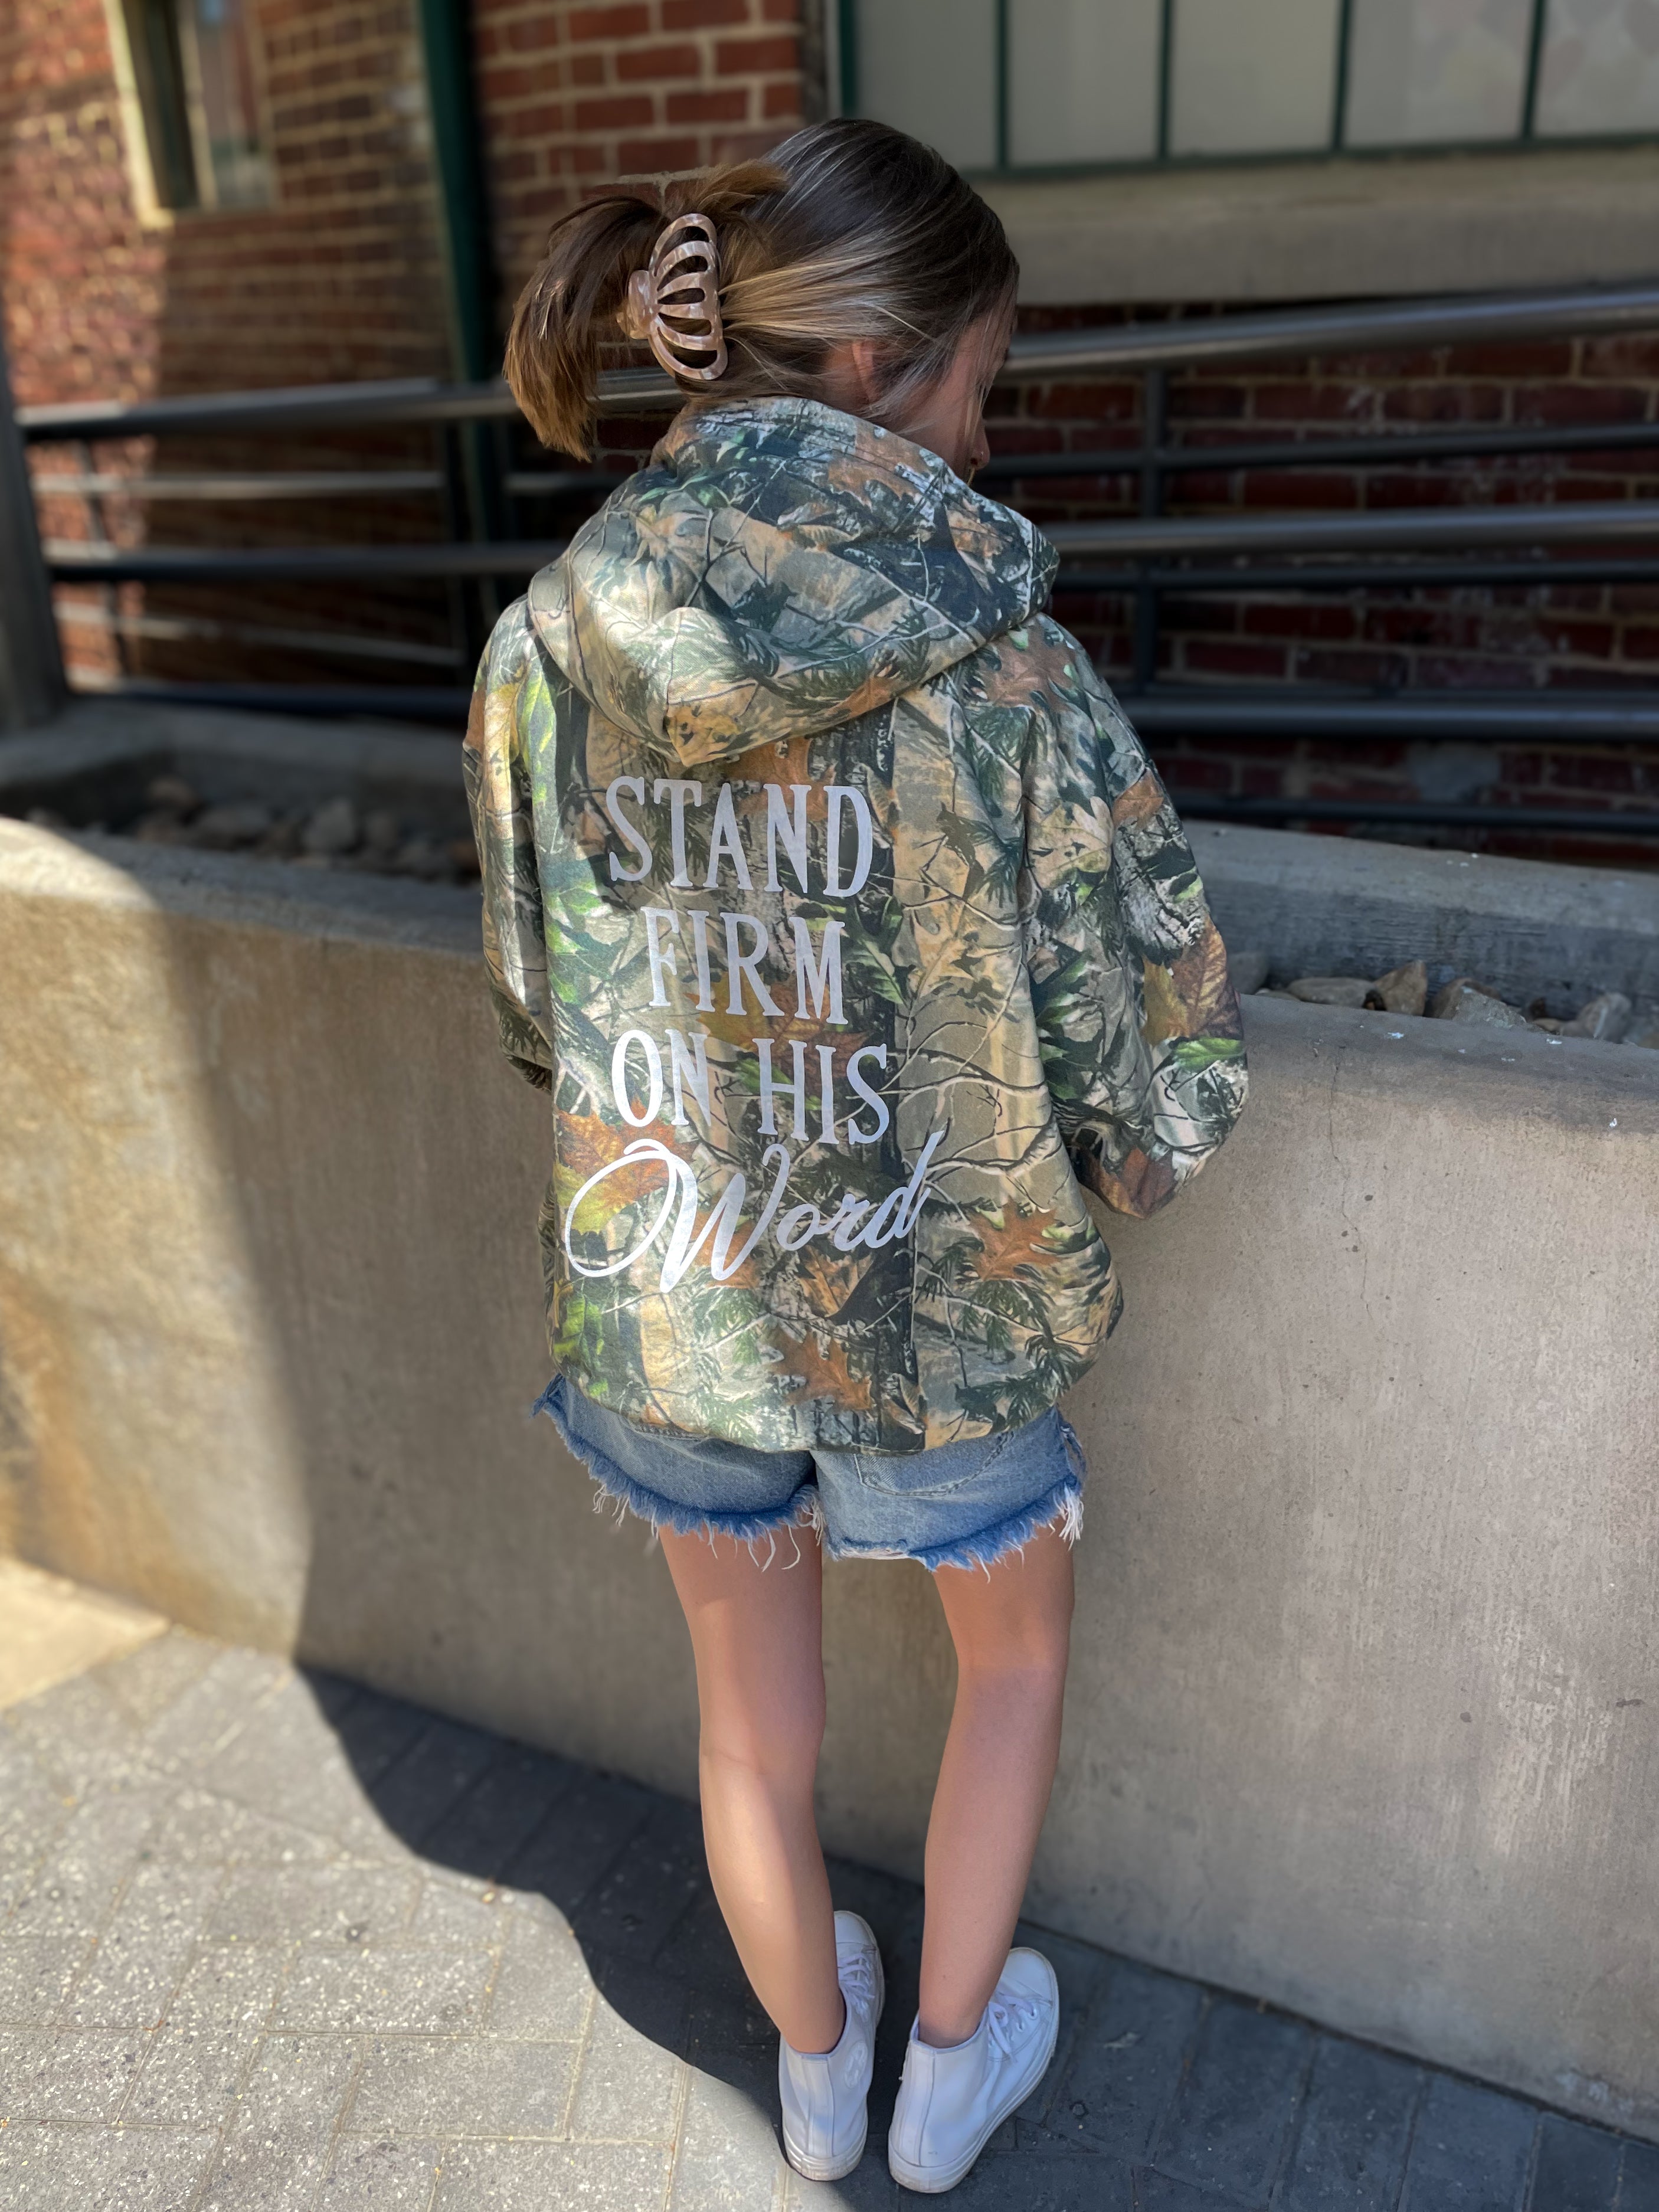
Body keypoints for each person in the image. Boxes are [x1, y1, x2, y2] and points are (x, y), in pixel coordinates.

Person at [466, 117, 1248, 2195]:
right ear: (885, 362)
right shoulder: (1010, 671)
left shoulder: (545, 647)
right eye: (984, 376)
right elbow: (1142, 998)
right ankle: (946, 2073)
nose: (986, 435)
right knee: (1013, 1661)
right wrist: (1149, 1146)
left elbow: (538, 1001)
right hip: (948, 1296)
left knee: (748, 1716)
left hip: (679, 1289)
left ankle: (810, 2069)